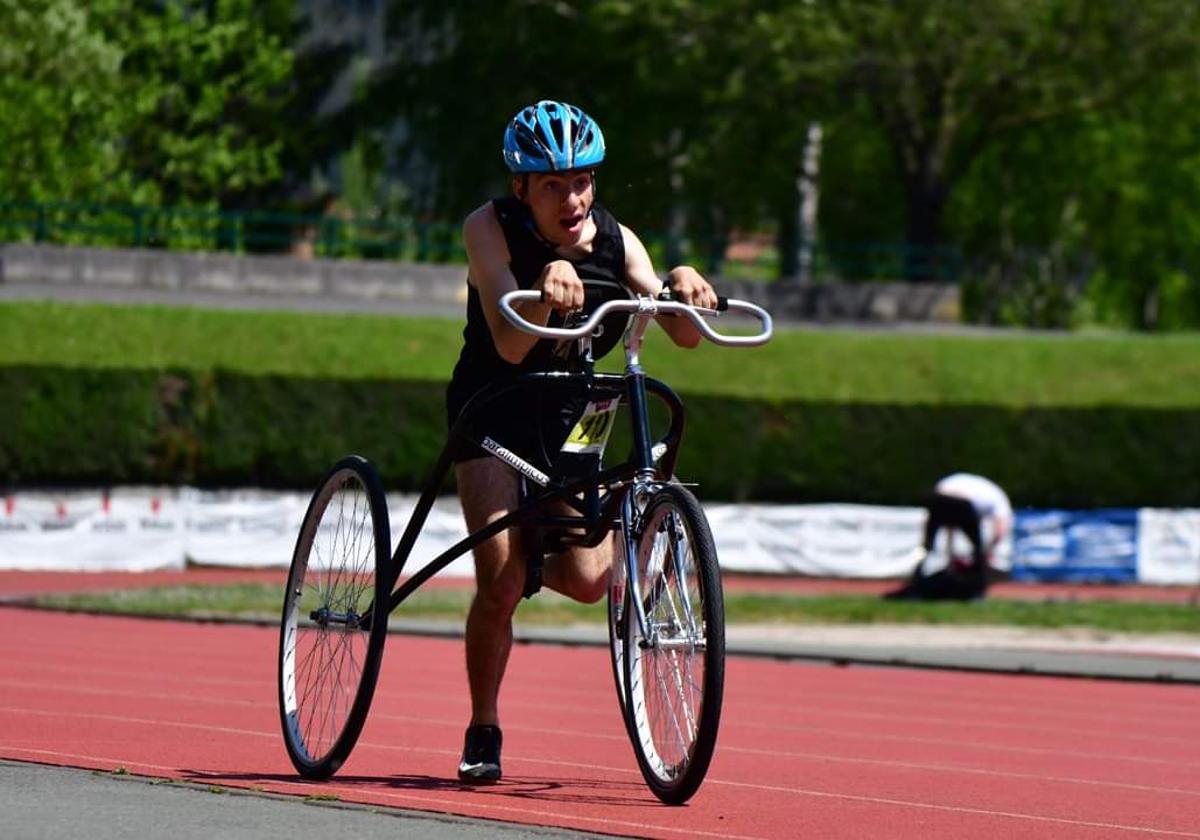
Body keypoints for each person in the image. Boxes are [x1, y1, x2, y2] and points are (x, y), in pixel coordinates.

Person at [446, 99, 718, 783]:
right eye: (552, 185)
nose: (572, 199)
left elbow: (683, 332)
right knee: (501, 581)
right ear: (521, 190)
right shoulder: (488, 229)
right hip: (495, 410)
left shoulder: (616, 239)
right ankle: (484, 725)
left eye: (582, 181)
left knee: (592, 580)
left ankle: (557, 537)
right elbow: (509, 345)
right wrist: (543, 292)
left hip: (571, 412)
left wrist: (682, 284)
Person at [885, 472, 1013, 601]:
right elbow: (1000, 531)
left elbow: (950, 523)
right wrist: (988, 552)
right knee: (977, 550)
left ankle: (915, 586)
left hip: (938, 498)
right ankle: (977, 593)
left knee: (927, 547)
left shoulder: (976, 489)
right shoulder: (1000, 499)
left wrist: (949, 552)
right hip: (961, 501)